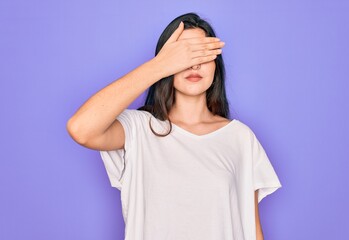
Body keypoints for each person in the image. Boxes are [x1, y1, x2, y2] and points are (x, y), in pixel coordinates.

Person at [67, 12, 282, 240]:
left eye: (202, 53)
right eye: (184, 54)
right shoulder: (139, 129)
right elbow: (81, 128)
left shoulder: (240, 138)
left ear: (216, 65)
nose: (194, 63)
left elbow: (252, 230)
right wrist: (159, 65)